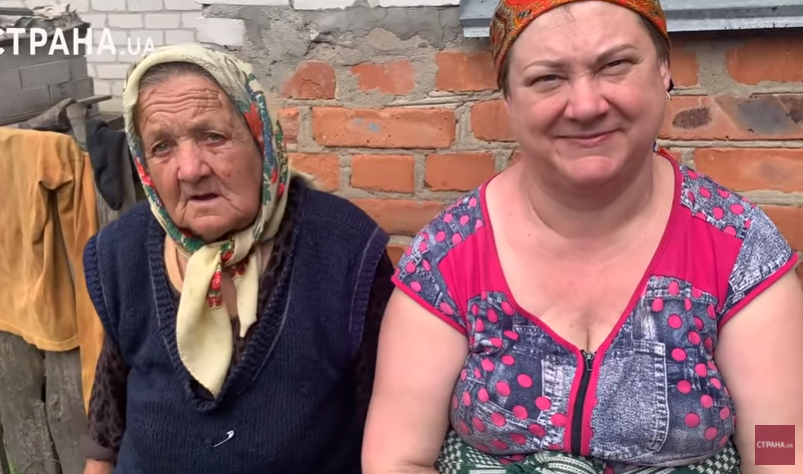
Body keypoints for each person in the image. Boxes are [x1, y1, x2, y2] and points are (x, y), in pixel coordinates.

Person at [362, 1, 803, 473]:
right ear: (509, 99)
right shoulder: (448, 256)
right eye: (547, 78)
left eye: (615, 65)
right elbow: (398, 457)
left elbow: (779, 448)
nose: (587, 105)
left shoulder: (739, 251)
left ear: (663, 70)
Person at [80, 42, 394, 474]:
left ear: (261, 137)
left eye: (213, 136)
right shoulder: (122, 252)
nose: (190, 169)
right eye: (162, 146)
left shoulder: (344, 252)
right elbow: (106, 427)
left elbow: (392, 433)